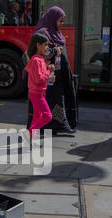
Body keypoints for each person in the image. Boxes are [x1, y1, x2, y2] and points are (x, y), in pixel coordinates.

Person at [27, 6, 77, 135]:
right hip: (46, 75)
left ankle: (56, 126)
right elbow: (40, 53)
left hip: (55, 74)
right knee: (51, 101)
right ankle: (45, 128)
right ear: (52, 19)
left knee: (57, 99)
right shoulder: (43, 32)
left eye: (62, 21)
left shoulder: (54, 31)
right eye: (60, 21)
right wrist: (54, 51)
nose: (61, 24)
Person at [24, 33, 54, 145]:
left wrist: (48, 74)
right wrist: (48, 71)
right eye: (45, 45)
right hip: (37, 94)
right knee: (47, 116)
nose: (47, 47)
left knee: (38, 116)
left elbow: (39, 77)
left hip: (38, 92)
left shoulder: (38, 59)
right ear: (38, 45)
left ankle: (30, 139)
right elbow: (39, 79)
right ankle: (29, 134)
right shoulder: (36, 60)